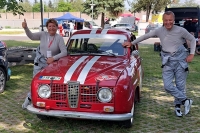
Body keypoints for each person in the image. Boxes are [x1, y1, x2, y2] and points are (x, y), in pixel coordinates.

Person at [123, 11, 196, 117]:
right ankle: (186, 100)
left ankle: (178, 107)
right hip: (167, 61)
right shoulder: (159, 30)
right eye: (166, 20)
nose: (168, 22)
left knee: (180, 86)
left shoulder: (181, 30)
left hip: (181, 60)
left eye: (170, 20)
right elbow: (145, 36)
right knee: (167, 86)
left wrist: (192, 54)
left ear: (173, 20)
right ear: (163, 21)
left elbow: (192, 39)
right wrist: (132, 43)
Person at [21, 18, 67, 109]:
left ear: (57, 27)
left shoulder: (59, 38)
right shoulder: (42, 34)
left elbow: (64, 52)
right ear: (47, 27)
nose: (51, 28)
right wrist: (26, 28)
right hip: (39, 63)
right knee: (35, 83)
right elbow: (31, 36)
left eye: (53, 26)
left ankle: (48, 101)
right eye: (50, 26)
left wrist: (53, 58)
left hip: (51, 66)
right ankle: (29, 99)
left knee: (48, 84)